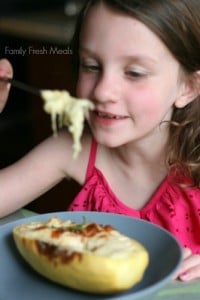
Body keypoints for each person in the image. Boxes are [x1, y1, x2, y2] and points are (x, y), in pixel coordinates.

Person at [0, 0, 200, 281]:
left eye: (134, 73)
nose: (103, 91)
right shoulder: (73, 149)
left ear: (188, 87)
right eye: (91, 66)